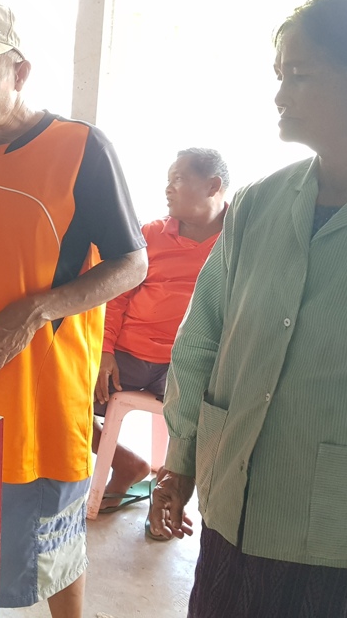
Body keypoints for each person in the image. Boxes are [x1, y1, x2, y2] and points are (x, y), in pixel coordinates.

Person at [148, 0, 347, 618]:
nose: (279, 95)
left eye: (299, 76)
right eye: (280, 76)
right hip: (231, 511)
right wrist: (181, 458)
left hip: (343, 542)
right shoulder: (258, 204)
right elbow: (202, 337)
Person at [0, 0, 147, 618]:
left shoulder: (80, 149)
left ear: (20, 73)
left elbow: (132, 262)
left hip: (40, 396)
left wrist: (38, 309)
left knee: (54, 541)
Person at [93, 148, 228, 521]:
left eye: (179, 179)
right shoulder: (150, 234)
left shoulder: (241, 239)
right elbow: (117, 297)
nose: (168, 188)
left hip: (192, 364)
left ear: (213, 186)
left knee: (208, 423)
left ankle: (168, 499)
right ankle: (127, 464)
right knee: (63, 398)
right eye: (169, 179)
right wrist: (105, 351)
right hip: (127, 356)